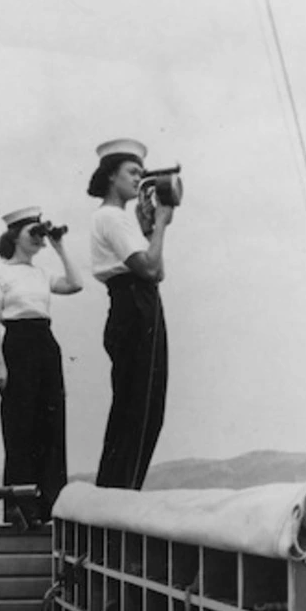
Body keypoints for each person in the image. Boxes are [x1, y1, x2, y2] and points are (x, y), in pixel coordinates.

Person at [0, 206, 82, 527]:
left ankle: (49, 506)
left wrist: (58, 246)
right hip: (18, 344)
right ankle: (20, 509)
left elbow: (75, 283)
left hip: (45, 342)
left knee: (51, 425)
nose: (39, 238)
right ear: (15, 235)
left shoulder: (41, 274)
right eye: (34, 232)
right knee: (19, 425)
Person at [88, 138, 175, 490]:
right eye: (132, 172)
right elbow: (150, 269)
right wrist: (162, 226)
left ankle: (119, 490)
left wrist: (150, 229)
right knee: (140, 408)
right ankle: (119, 493)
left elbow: (157, 271)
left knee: (138, 404)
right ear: (111, 176)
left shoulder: (118, 219)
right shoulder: (111, 217)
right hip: (135, 304)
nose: (139, 179)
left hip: (135, 301)